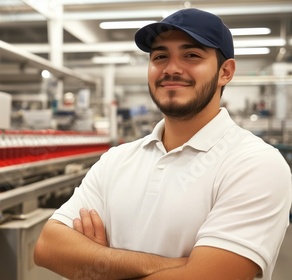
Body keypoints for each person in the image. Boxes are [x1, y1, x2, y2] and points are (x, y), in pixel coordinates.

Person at [34, 8, 292, 280]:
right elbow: (48, 247)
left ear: (225, 72)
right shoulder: (116, 160)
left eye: (191, 55)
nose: (171, 69)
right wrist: (174, 265)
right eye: (160, 57)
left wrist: (99, 262)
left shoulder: (255, 163)